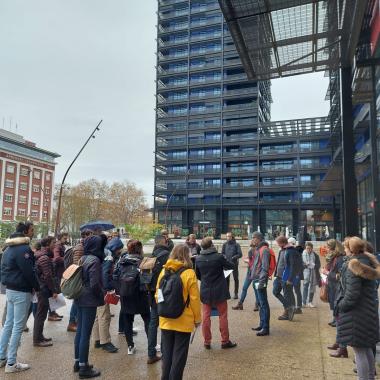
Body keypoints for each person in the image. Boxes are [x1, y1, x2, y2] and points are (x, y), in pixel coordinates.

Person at [335, 237, 380, 380]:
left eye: (346, 247)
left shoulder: (353, 266)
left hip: (357, 315)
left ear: (352, 249)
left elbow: (352, 295)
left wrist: (340, 306)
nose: (345, 250)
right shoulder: (368, 262)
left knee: (359, 352)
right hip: (368, 312)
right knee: (366, 349)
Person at [156, 244, 201, 380]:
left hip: (166, 320)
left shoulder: (164, 271)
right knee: (179, 356)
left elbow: (158, 295)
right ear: (187, 255)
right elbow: (194, 299)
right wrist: (197, 319)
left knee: (167, 354)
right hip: (183, 320)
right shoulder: (189, 273)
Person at [0, 222, 40, 373]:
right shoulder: (23, 249)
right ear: (24, 233)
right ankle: (11, 363)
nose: (33, 232)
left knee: (9, 325)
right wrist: (37, 287)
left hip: (10, 289)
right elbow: (29, 272)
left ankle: (1, 357)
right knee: (17, 326)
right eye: (31, 230)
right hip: (21, 291)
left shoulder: (8, 248)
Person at [73, 235, 106, 379]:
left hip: (79, 297)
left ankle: (78, 362)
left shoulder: (83, 258)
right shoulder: (95, 260)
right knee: (86, 334)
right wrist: (102, 295)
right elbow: (94, 284)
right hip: (89, 300)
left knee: (80, 332)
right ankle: (84, 367)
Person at [195, 237, 236, 349]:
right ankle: (225, 341)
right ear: (211, 245)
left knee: (206, 316)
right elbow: (231, 266)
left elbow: (197, 275)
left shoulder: (198, 259)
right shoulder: (218, 257)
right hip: (219, 289)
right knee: (222, 316)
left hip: (206, 289)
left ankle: (207, 341)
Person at [92, 237, 123, 353]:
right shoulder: (109, 256)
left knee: (97, 316)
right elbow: (105, 274)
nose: (120, 251)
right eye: (120, 248)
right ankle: (105, 342)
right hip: (103, 290)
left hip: (96, 287)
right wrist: (109, 288)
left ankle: (97, 339)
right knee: (104, 316)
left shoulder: (102, 252)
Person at [147, 234, 171, 364]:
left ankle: (151, 354)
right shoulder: (167, 255)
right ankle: (165, 352)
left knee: (153, 323)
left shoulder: (151, 256)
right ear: (164, 242)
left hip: (151, 293)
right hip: (164, 293)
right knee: (165, 323)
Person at [33, 236, 59, 347]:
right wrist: (53, 290)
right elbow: (47, 276)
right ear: (48, 244)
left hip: (42, 288)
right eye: (54, 243)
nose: (55, 245)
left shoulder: (43, 255)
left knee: (42, 314)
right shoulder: (44, 258)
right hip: (43, 289)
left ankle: (39, 336)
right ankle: (37, 340)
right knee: (41, 314)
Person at [67, 230, 92, 332]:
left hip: (79, 276)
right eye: (90, 235)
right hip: (78, 277)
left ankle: (74, 321)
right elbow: (78, 263)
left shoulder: (82, 246)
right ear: (85, 236)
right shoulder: (81, 247)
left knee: (77, 300)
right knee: (76, 300)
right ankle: (72, 322)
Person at [250, 231, 271, 335]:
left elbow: (265, 267)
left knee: (263, 304)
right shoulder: (259, 249)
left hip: (260, 280)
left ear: (258, 238)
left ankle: (266, 328)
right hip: (256, 279)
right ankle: (262, 324)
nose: (252, 240)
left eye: (253, 238)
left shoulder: (264, 250)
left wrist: (261, 282)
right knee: (261, 304)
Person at [232, 238, 259, 311]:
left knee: (256, 289)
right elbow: (250, 260)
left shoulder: (259, 252)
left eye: (253, 246)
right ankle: (240, 304)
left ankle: (257, 304)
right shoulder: (250, 251)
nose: (252, 248)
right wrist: (248, 261)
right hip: (249, 272)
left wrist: (249, 262)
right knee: (244, 288)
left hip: (256, 273)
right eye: (252, 246)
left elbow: (257, 263)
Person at [274, 236, 295, 321]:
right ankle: (289, 307)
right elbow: (279, 262)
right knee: (275, 292)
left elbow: (293, 266)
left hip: (285, 278)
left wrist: (289, 279)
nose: (277, 244)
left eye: (278, 243)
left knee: (287, 295)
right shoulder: (281, 250)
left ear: (282, 243)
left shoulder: (290, 251)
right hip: (279, 277)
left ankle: (286, 313)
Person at [49, 232, 69, 321]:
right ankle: (51, 314)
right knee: (54, 293)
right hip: (56, 273)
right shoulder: (58, 246)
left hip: (58, 272)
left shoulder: (61, 246)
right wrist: (67, 259)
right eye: (64, 238)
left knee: (56, 293)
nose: (66, 240)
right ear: (60, 238)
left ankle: (53, 312)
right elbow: (57, 258)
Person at [325, 239, 345, 327]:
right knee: (333, 301)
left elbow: (340, 274)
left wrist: (327, 273)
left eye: (328, 247)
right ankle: (335, 319)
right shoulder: (334, 257)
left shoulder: (339, 258)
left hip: (336, 284)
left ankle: (337, 320)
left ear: (332, 248)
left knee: (335, 302)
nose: (326, 248)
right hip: (332, 283)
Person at [221, 232, 242, 299]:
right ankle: (227, 294)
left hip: (234, 264)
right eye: (227, 236)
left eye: (229, 236)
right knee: (226, 279)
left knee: (236, 279)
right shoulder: (224, 244)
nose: (228, 238)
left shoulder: (236, 244)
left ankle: (236, 293)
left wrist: (234, 257)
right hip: (227, 264)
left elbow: (240, 254)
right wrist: (224, 257)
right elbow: (222, 253)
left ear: (232, 237)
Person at [302, 242, 321, 307]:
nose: (308, 250)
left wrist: (314, 265)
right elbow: (300, 264)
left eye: (310, 248)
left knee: (312, 287)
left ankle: (310, 302)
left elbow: (319, 265)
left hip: (313, 272)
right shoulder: (302, 254)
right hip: (305, 272)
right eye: (307, 248)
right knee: (305, 287)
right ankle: (303, 302)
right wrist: (305, 265)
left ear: (312, 248)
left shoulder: (315, 255)